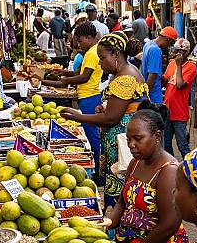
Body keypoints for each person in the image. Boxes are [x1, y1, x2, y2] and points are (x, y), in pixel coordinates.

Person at [105, 104, 189, 243]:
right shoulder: (135, 163)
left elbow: (168, 226)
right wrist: (108, 221)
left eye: (138, 139)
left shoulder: (168, 171)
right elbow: (122, 202)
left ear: (157, 136)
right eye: (129, 140)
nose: (132, 145)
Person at [61, 31, 150, 206]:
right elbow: (121, 106)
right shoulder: (128, 71)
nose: (100, 64)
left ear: (115, 54)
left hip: (123, 141)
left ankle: (117, 226)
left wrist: (79, 117)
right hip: (126, 136)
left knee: (121, 191)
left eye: (102, 58)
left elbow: (111, 118)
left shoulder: (125, 77)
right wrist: (105, 105)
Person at [43, 22, 103, 171]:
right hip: (89, 95)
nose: (78, 44)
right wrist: (64, 73)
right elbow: (79, 73)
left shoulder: (91, 54)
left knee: (92, 136)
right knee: (90, 133)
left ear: (89, 38)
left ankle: (98, 169)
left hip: (90, 96)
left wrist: (65, 81)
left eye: (80, 40)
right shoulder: (93, 51)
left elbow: (84, 77)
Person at [162, 38, 197, 158]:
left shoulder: (191, 67)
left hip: (179, 113)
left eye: (180, 51)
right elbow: (165, 81)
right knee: (165, 144)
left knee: (182, 145)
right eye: (175, 50)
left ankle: (190, 170)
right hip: (167, 110)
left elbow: (179, 85)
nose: (177, 54)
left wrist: (178, 66)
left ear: (186, 53)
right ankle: (173, 169)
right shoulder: (172, 63)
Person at [141, 26, 178, 104]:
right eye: (170, 44)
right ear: (168, 39)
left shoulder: (148, 44)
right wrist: (146, 96)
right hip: (153, 96)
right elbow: (152, 75)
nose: (168, 47)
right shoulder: (155, 50)